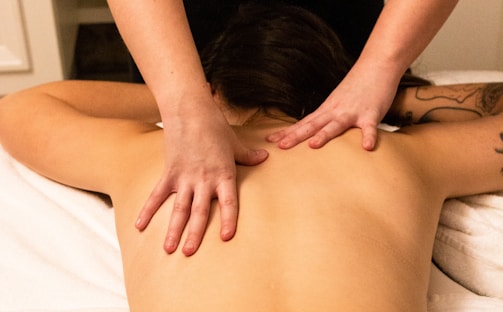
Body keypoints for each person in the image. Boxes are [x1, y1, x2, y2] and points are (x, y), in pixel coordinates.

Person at [0, 5, 501, 312]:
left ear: (219, 89)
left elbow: (21, 107)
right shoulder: (398, 156)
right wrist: (393, 89)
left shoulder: (144, 156)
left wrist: (192, 100)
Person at [106, 0, 459, 257]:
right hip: (182, 34)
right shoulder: (400, 158)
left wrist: (379, 70)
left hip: (340, 42)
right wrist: (183, 105)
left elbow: (50, 104)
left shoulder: (139, 157)